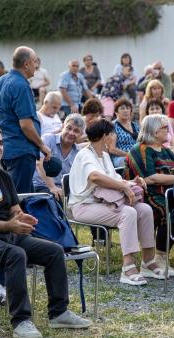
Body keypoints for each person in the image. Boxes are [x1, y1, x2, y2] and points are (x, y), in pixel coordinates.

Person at [0, 123, 91, 337]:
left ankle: (59, 312)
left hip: (4, 235)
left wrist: (20, 217)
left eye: (0, 142)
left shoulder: (3, 175)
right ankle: (21, 321)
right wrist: (9, 225)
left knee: (54, 251)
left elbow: (14, 210)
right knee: (16, 254)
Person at [69, 119, 163, 285]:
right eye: (112, 134)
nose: (115, 137)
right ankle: (127, 268)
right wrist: (123, 186)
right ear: (105, 136)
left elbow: (113, 180)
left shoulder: (104, 155)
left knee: (145, 210)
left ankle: (148, 261)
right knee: (128, 213)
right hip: (84, 206)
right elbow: (95, 177)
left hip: (104, 202)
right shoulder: (85, 154)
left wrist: (132, 183)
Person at [124, 115, 174, 275]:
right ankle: (157, 258)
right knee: (169, 211)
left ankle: (162, 256)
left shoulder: (165, 150)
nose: (168, 131)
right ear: (154, 131)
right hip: (146, 195)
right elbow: (150, 178)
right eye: (165, 128)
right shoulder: (140, 150)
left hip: (168, 193)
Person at [0, 46, 51, 194]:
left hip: (6, 149)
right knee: (19, 201)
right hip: (21, 151)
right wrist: (42, 145)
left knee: (22, 196)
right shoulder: (21, 85)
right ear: (26, 64)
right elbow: (26, 125)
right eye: (35, 61)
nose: (36, 65)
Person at [33, 114, 84, 200]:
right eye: (69, 128)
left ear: (81, 134)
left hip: (62, 190)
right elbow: (39, 163)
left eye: (76, 131)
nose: (71, 133)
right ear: (63, 126)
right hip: (41, 186)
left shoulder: (78, 152)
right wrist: (52, 187)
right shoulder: (48, 139)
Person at [109, 99, 139, 167]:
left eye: (128, 108)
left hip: (136, 156)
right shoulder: (113, 126)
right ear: (116, 112)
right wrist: (129, 155)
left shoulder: (135, 125)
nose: (125, 110)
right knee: (135, 162)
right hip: (120, 158)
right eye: (122, 108)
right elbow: (112, 149)